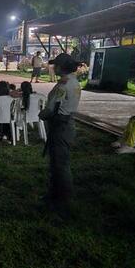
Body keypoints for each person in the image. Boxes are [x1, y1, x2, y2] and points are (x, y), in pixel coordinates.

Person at [39, 53, 82, 210]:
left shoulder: (63, 85)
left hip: (59, 125)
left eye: (56, 65)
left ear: (62, 67)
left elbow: (51, 109)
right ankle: (55, 194)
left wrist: (41, 114)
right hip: (67, 124)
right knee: (59, 162)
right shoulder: (74, 82)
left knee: (59, 164)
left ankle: (62, 199)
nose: (53, 67)